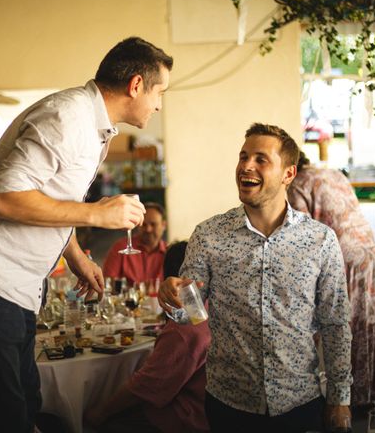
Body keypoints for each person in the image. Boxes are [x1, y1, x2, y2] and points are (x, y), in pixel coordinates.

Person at [0, 37, 173, 433]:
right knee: (3, 414)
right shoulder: (67, 117)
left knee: (25, 400)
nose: (160, 105)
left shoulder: (95, 128)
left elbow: (49, 198)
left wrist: (75, 255)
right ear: (137, 85)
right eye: (161, 92)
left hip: (13, 282)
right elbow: (4, 200)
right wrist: (97, 213)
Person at [158, 123, 353, 433]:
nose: (246, 166)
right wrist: (171, 296)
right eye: (243, 156)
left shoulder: (320, 240)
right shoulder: (209, 236)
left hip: (299, 403)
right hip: (229, 405)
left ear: (288, 174)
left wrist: (340, 398)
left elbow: (335, 322)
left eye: (261, 159)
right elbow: (188, 316)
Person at [287, 152, 375, 407]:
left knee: (342, 324)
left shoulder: (297, 185)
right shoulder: (331, 172)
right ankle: (364, 393)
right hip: (369, 248)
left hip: (343, 255)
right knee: (368, 321)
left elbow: (303, 235)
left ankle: (346, 400)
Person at [85, 241, 211, 433]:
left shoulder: (186, 327)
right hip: (209, 408)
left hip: (190, 417)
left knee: (104, 423)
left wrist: (100, 412)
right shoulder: (213, 307)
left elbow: (148, 386)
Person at [102, 202, 168, 284]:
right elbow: (107, 282)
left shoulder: (169, 252)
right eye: (143, 224)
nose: (148, 229)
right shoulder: (121, 247)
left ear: (164, 225)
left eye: (153, 224)